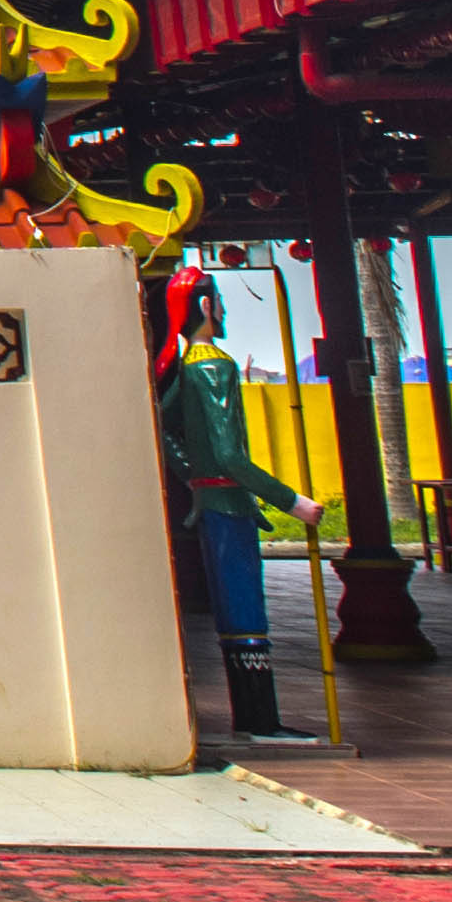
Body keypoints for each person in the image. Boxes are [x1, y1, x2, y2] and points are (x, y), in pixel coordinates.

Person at [159, 275, 328, 739]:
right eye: (222, 305)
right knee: (246, 611)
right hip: (229, 503)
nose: (226, 313)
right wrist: (293, 502)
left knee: (237, 612)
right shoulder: (215, 367)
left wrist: (190, 472)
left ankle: (255, 716)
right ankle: (258, 719)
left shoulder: (189, 365)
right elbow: (232, 455)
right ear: (208, 306)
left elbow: (164, 425)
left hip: (208, 498)